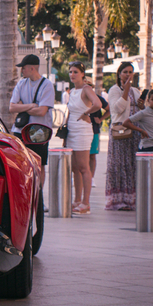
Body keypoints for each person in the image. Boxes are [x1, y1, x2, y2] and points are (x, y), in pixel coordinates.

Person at [9, 54, 55, 188]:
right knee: (22, 164)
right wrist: (31, 106)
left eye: (23, 68)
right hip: (20, 130)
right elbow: (11, 107)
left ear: (32, 68)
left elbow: (42, 112)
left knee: (39, 165)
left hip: (39, 130)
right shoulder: (21, 83)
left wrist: (22, 106)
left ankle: (39, 199)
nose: (21, 71)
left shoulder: (47, 85)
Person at [63, 62, 102, 214]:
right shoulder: (72, 91)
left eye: (75, 72)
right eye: (71, 72)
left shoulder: (86, 89)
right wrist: (65, 132)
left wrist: (86, 113)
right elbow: (69, 112)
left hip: (83, 130)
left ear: (82, 74)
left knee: (84, 167)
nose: (72, 74)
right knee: (75, 168)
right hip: (72, 129)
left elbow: (98, 104)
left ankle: (86, 202)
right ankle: (77, 200)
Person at [105, 61, 144, 211]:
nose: (128, 75)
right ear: (119, 74)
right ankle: (118, 200)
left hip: (134, 131)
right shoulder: (115, 90)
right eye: (125, 72)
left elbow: (141, 111)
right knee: (120, 165)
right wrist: (125, 91)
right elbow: (117, 109)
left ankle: (132, 199)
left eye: (130, 72)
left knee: (132, 165)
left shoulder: (136, 90)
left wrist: (141, 105)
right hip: (120, 131)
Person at [89, 86, 110, 188]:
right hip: (79, 129)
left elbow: (109, 109)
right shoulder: (77, 97)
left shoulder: (97, 98)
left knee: (92, 155)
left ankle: (91, 178)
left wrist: (101, 119)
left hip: (94, 129)